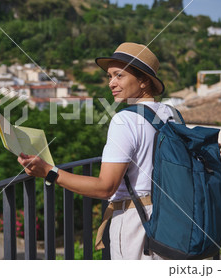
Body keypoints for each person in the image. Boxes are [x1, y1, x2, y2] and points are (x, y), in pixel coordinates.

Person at [17, 42, 177, 260]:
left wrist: (48, 171)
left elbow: (105, 188)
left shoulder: (126, 119)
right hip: (170, 218)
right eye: (109, 76)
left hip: (136, 224)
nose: (111, 83)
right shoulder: (172, 114)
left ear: (143, 81)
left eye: (119, 75)